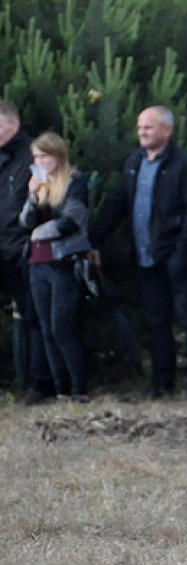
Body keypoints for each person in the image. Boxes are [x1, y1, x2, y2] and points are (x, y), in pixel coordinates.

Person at [90, 105, 187, 398]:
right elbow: (119, 204)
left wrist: (182, 251)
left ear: (167, 131)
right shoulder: (135, 162)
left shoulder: (185, 164)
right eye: (140, 127)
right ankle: (161, 384)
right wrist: (94, 240)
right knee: (157, 322)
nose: (142, 133)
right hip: (145, 257)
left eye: (148, 127)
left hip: (175, 256)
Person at [19, 132, 91, 400]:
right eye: (36, 157)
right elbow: (25, 222)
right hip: (37, 263)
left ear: (57, 156)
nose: (40, 161)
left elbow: (74, 219)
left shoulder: (75, 182)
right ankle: (61, 388)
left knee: (62, 327)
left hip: (63, 261)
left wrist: (44, 231)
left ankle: (78, 387)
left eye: (45, 156)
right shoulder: (39, 185)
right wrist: (33, 197)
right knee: (46, 329)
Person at [0, 101, 50, 403]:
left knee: (34, 317)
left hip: (22, 248)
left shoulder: (33, 155)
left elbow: (44, 204)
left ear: (12, 124)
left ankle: (37, 382)